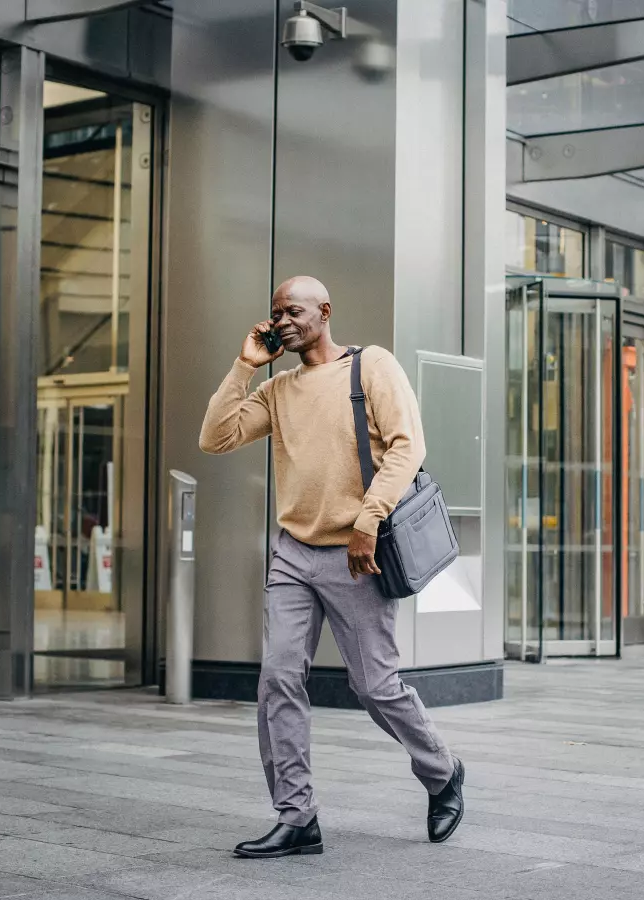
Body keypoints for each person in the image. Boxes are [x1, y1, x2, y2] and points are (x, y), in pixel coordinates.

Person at [199, 275, 465, 859]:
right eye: (275, 313)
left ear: (324, 311)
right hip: (294, 553)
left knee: (374, 685)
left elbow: (407, 446)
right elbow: (215, 438)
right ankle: (297, 816)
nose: (282, 321)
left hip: (357, 554)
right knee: (278, 679)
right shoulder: (278, 389)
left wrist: (369, 520)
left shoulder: (371, 366)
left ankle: (442, 772)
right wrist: (245, 367)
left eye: (292, 311)